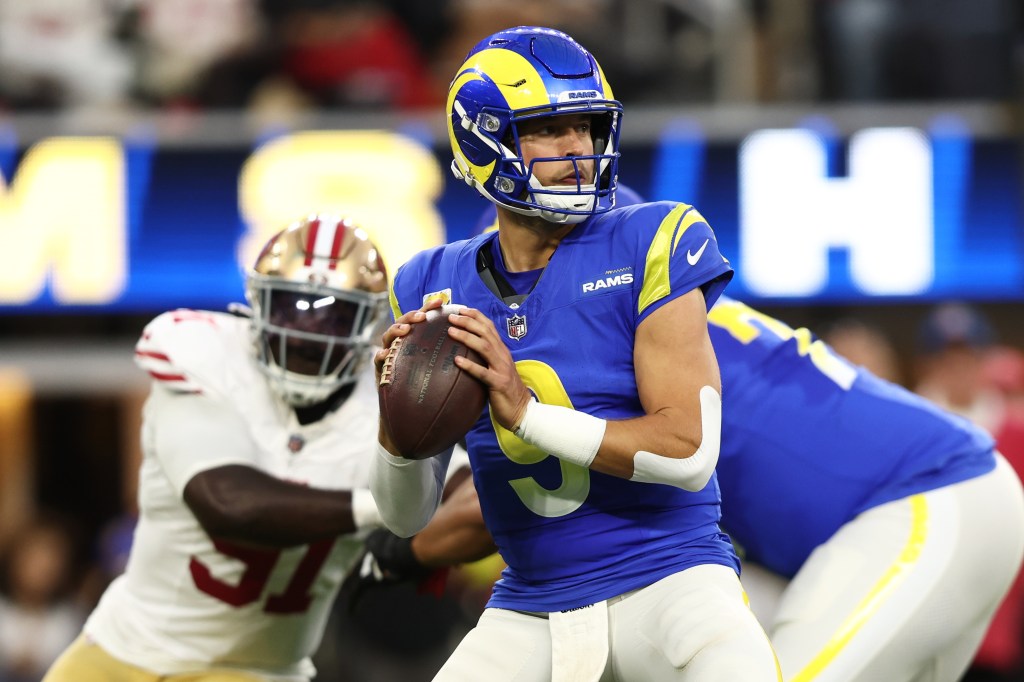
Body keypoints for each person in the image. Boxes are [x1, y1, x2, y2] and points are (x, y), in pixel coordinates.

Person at [369, 25, 781, 682]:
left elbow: (688, 452)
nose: (577, 150)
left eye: (587, 127)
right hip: (531, 600)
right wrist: (394, 428)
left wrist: (525, 413)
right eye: (547, 130)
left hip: (671, 580)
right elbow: (406, 514)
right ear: (483, 138)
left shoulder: (654, 237)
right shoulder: (428, 281)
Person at [355, 295, 1024, 682]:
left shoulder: (600, 331)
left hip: (921, 503)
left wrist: (388, 553)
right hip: (922, 512)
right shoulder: (659, 309)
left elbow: (489, 507)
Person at [43, 215, 396, 682]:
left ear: (368, 323)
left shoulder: (388, 407)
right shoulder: (205, 356)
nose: (307, 331)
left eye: (333, 313)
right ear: (258, 303)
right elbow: (228, 502)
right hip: (122, 649)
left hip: (257, 669)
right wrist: (390, 506)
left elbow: (463, 506)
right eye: (292, 307)